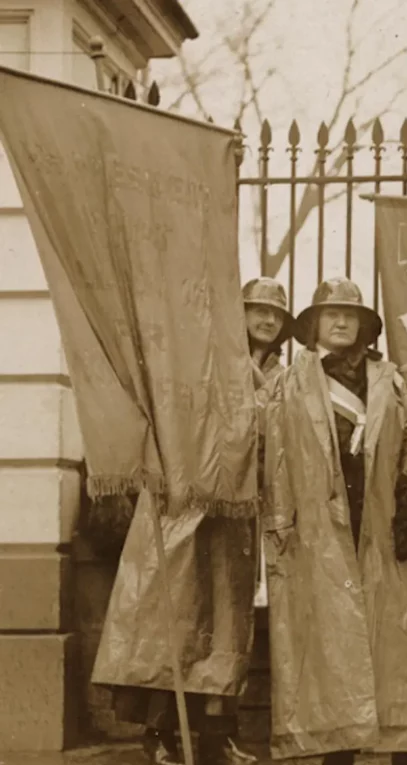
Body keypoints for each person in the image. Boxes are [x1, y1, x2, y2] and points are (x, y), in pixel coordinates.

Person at [90, 279, 297, 765]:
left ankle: (216, 738)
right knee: (173, 621)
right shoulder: (204, 360)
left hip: (237, 515)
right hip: (187, 506)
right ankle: (160, 736)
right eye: (257, 310)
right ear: (237, 314)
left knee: (226, 628)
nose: (267, 320)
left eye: (275, 314)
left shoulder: (283, 378)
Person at [261, 277, 407, 765]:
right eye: (330, 313)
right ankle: (335, 747)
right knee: (326, 640)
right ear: (313, 323)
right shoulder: (288, 381)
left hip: (381, 521)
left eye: (350, 314)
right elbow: (273, 454)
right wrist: (280, 521)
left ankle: (402, 747)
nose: (340, 321)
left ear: (364, 324)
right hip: (316, 527)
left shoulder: (390, 379)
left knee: (392, 638)